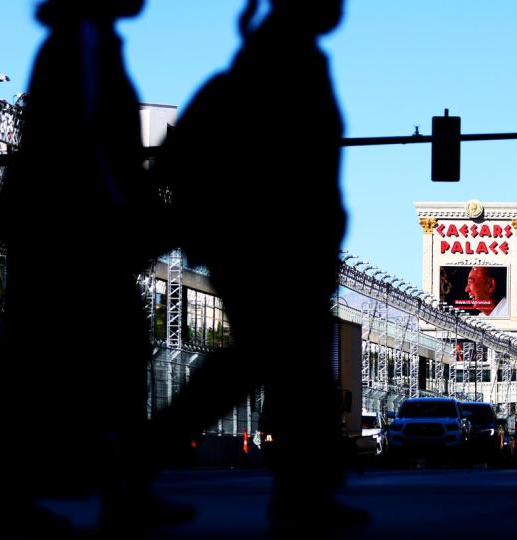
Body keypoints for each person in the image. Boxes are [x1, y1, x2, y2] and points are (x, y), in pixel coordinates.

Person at [0, 0, 190, 535]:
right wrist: (131, 217)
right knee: (115, 354)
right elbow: (90, 145)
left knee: (47, 367)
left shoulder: (79, 40)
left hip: (58, 229)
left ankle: (26, 494)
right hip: (75, 231)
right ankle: (119, 493)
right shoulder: (86, 43)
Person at [152, 0, 368, 530]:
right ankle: (144, 459)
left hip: (279, 249)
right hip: (266, 249)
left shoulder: (281, 65)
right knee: (273, 363)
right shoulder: (276, 71)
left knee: (286, 367)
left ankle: (304, 494)